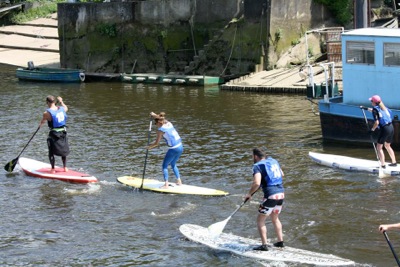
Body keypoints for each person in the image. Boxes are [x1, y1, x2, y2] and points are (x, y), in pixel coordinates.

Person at [244, 148, 285, 251]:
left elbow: (257, 183)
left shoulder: (257, 166)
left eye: (252, 156)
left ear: (255, 156)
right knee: (275, 218)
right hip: (281, 194)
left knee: (260, 220)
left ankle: (264, 245)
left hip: (271, 195)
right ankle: (280, 242)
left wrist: (249, 194)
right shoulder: (273, 161)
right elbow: (282, 174)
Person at [147, 112, 183, 189]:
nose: (155, 125)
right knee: (173, 164)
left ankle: (166, 185)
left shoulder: (160, 130)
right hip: (180, 147)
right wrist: (153, 115)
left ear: (158, 123)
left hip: (173, 149)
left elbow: (156, 143)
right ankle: (179, 181)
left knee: (164, 166)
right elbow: (162, 119)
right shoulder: (169, 123)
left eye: (155, 123)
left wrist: (149, 147)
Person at [39, 95, 70, 174]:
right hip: (63, 133)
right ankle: (65, 168)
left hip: (54, 134)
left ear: (47, 102)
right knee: (64, 150)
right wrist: (61, 101)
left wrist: (40, 125)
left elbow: (43, 121)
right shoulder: (62, 109)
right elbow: (66, 107)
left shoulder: (46, 113)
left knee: (51, 151)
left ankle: (52, 169)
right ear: (54, 102)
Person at [367, 95, 397, 168]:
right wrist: (366, 109)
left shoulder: (375, 110)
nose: (371, 102)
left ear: (374, 102)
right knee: (387, 145)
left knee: (379, 147)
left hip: (385, 129)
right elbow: (377, 111)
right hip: (391, 127)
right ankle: (394, 162)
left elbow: (377, 123)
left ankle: (382, 165)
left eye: (371, 101)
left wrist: (372, 130)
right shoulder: (384, 107)